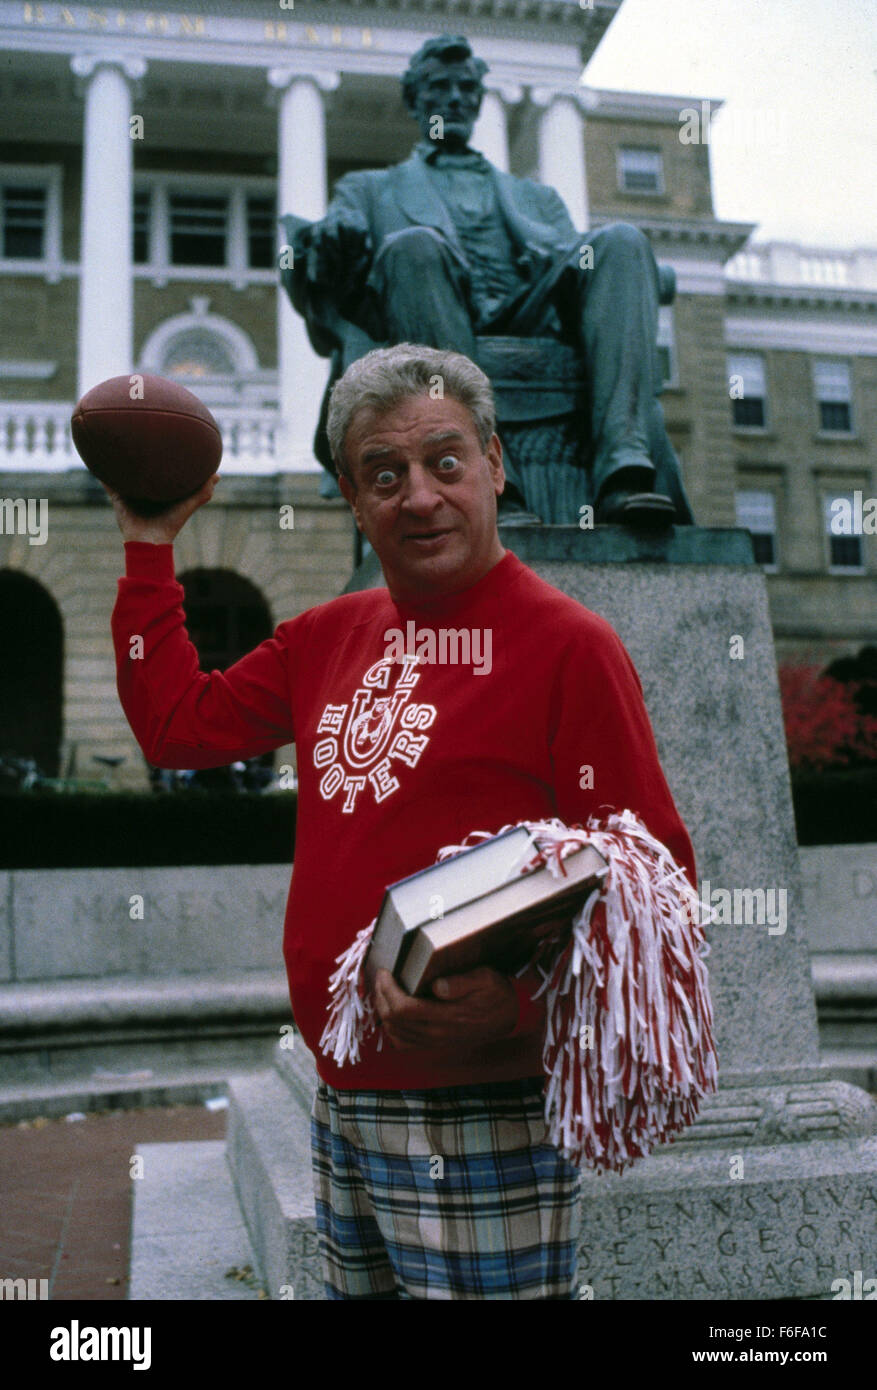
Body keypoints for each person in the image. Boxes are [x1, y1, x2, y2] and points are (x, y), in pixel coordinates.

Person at [106, 343, 695, 1300]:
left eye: (444, 462)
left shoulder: (569, 647)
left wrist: (519, 1009)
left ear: (495, 465)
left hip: (484, 1102)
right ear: (352, 494)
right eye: (384, 474)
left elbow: (657, 895)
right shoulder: (326, 633)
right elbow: (176, 728)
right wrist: (146, 540)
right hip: (342, 1089)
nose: (417, 495)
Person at [285, 33, 694, 527]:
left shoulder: (535, 198)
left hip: (530, 309)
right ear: (415, 101)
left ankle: (622, 471)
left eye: (465, 88)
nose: (454, 98)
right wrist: (333, 246)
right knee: (413, 247)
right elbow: (322, 263)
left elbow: (576, 273)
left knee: (621, 241)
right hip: (432, 316)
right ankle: (497, 482)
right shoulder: (370, 190)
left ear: (479, 101)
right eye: (438, 87)